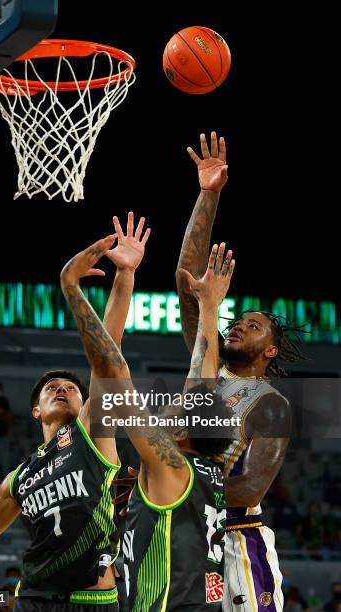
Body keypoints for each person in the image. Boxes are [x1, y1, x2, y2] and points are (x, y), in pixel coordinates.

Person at [0, 213, 150, 612]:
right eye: (52, 388)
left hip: (95, 598)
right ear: (35, 411)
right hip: (34, 598)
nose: (62, 389)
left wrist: (125, 277)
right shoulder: (20, 477)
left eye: (71, 387)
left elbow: (109, 351)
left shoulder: (92, 435)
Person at [66, 234, 235, 610]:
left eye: (177, 403)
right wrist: (209, 307)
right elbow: (203, 380)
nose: (168, 402)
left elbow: (110, 376)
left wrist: (72, 288)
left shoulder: (172, 466)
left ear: (181, 431)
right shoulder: (204, 468)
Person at [176, 132, 304, 611]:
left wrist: (173, 481)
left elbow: (251, 487)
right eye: (236, 320)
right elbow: (189, 283)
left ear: (269, 350)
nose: (236, 326)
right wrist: (208, 195)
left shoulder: (271, 405)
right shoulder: (206, 362)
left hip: (234, 541)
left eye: (252, 327)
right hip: (186, 528)